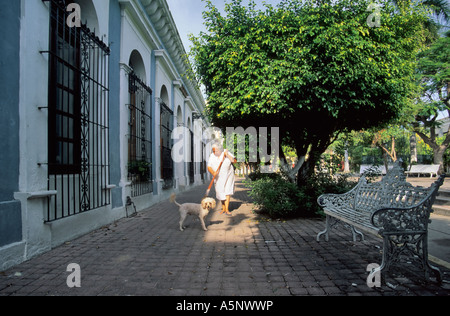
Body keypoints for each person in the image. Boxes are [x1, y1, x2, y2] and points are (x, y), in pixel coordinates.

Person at [207, 143, 237, 215]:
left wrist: (227, 155)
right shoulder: (212, 156)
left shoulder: (226, 152)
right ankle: (223, 208)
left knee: (227, 190)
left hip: (229, 174)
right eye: (213, 151)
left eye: (215, 151)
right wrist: (213, 173)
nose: (214, 152)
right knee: (220, 191)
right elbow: (209, 167)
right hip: (218, 176)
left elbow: (234, 161)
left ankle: (226, 209)